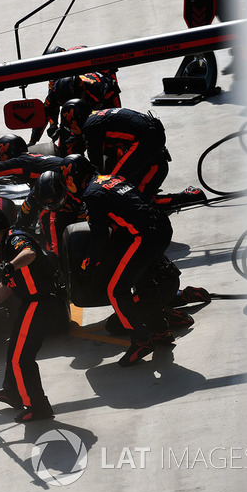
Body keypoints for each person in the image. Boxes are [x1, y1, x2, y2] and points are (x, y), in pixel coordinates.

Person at [41, 155, 175, 366]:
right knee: (144, 282)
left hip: (145, 237)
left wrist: (88, 262)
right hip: (160, 229)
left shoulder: (91, 195)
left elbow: (100, 237)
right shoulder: (110, 178)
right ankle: (161, 331)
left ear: (74, 177)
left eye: (67, 181)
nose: (67, 186)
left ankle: (141, 340)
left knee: (116, 290)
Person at [0, 206, 66, 422]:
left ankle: (37, 406)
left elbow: (29, 253)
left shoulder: (14, 239)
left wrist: (8, 267)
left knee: (20, 359)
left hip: (41, 302)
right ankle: (12, 392)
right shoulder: (6, 246)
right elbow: (9, 285)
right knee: (15, 347)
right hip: (33, 302)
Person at [59, 101, 206, 208]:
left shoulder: (90, 127)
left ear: (74, 121)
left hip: (147, 143)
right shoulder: (96, 118)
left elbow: (96, 167)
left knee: (114, 187)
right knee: (133, 196)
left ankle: (190, 196)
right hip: (152, 145)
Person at [29, 71, 121, 151]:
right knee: (66, 143)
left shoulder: (96, 91)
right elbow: (43, 114)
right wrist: (32, 141)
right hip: (87, 98)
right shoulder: (55, 91)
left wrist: (80, 136)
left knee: (107, 138)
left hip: (107, 98)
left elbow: (95, 123)